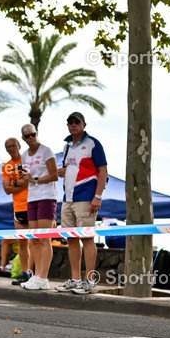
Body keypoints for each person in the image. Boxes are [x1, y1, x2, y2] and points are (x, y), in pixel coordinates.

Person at [55, 112, 108, 295]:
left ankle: (90, 281)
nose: (73, 125)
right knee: (71, 239)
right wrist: (62, 171)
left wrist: (98, 197)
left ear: (84, 124)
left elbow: (103, 172)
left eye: (76, 122)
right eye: (69, 122)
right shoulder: (67, 146)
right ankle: (76, 279)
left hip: (86, 197)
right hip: (67, 199)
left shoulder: (93, 143)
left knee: (87, 238)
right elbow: (71, 168)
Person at [19, 124, 59, 290]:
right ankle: (36, 276)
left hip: (46, 196)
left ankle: (43, 276)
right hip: (32, 197)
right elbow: (25, 178)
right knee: (34, 239)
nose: (31, 138)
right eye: (27, 136)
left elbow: (55, 175)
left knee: (44, 238)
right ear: (23, 138)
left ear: (37, 134)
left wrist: (34, 179)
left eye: (33, 134)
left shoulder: (46, 151)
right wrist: (24, 178)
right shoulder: (24, 155)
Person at [0, 137, 30, 278]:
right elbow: (6, 189)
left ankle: (35, 273)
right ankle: (25, 272)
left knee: (34, 242)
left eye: (13, 145)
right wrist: (20, 182)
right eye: (8, 146)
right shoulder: (6, 166)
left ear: (19, 145)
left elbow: (29, 182)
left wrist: (13, 183)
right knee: (23, 242)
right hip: (18, 208)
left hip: (32, 205)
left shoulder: (27, 160)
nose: (11, 148)